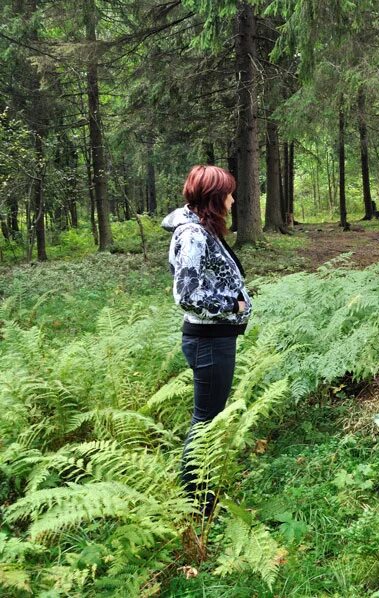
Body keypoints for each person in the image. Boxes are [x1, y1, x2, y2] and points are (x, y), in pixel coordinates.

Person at [161, 165, 252, 514]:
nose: (232, 199)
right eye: (228, 193)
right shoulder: (194, 236)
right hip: (209, 341)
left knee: (208, 417)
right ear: (215, 199)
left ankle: (201, 491)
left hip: (214, 338)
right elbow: (188, 295)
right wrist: (234, 304)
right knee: (205, 420)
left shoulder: (203, 229)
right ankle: (198, 501)